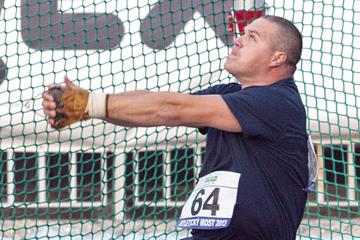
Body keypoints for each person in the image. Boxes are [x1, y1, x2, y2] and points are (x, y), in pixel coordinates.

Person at [43, 15, 311, 240]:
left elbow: (172, 109)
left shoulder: (277, 102)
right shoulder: (231, 93)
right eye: (242, 33)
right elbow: (154, 105)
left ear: (277, 58)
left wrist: (94, 105)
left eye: (252, 37)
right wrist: (91, 107)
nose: (238, 40)